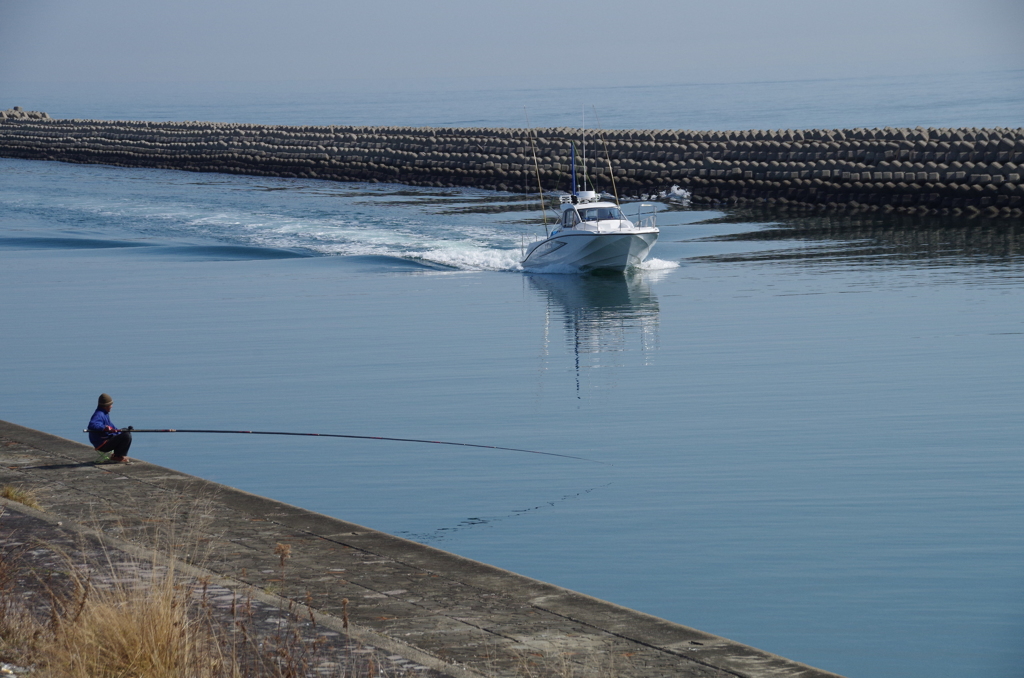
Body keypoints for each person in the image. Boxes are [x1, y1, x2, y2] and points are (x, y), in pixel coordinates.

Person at [88, 393, 132, 463]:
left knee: (125, 432)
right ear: (106, 406)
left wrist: (120, 432)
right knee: (126, 436)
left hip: (107, 439)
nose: (111, 406)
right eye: (110, 405)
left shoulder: (104, 413)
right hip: (102, 444)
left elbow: (112, 427)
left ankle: (118, 455)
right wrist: (104, 428)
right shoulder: (99, 414)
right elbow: (92, 425)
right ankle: (117, 457)